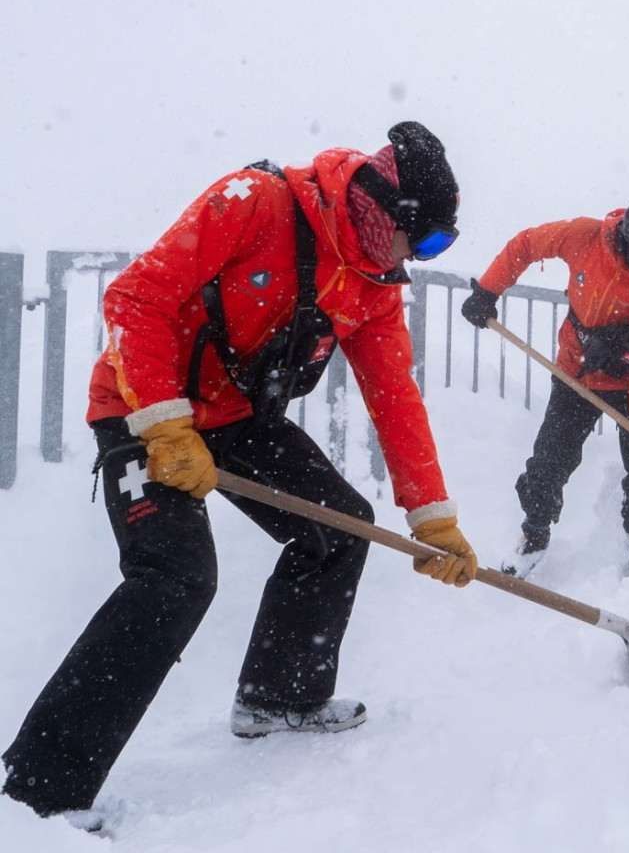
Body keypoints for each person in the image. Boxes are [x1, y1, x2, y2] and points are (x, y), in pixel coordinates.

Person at [2, 121, 478, 825]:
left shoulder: (370, 281)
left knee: (340, 530)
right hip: (142, 405)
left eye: (442, 246)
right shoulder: (254, 202)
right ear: (387, 214)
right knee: (176, 575)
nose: (424, 256)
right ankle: (37, 793)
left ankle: (278, 697)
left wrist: (433, 515)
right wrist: (164, 425)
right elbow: (138, 297)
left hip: (234, 419)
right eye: (428, 239)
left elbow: (394, 394)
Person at [461, 190, 629, 578]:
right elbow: (526, 245)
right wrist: (488, 290)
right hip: (575, 373)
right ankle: (533, 536)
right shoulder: (585, 237)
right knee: (549, 461)